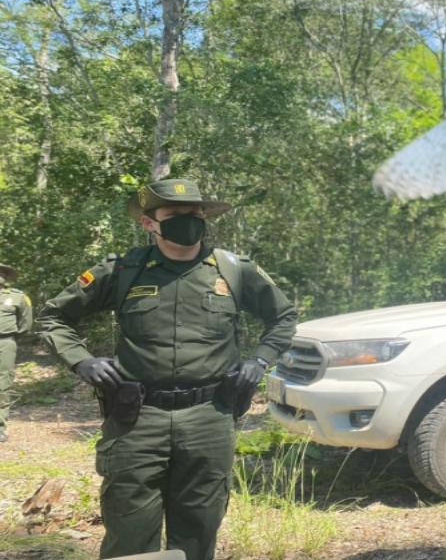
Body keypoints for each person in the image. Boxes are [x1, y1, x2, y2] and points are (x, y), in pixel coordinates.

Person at [38, 179, 297, 560]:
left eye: (194, 215)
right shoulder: (123, 270)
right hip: (136, 419)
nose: (188, 222)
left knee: (199, 528)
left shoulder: (234, 270)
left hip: (209, 418)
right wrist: (82, 360)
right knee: (129, 530)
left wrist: (259, 359)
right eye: (175, 216)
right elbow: (53, 317)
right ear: (149, 224)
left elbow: (284, 316)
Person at [0, 263, 33, 443]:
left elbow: (25, 324)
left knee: (2, 385)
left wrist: (11, 339)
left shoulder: (18, 297)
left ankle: (0, 426)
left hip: (5, 343)